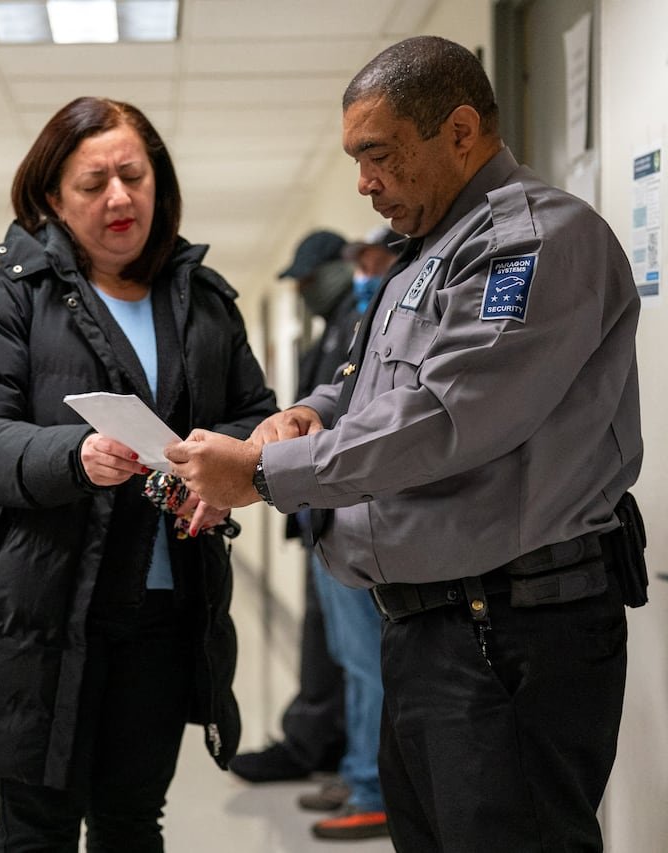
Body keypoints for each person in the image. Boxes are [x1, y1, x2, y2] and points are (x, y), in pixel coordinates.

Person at [166, 36, 644, 853]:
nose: (364, 182)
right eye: (356, 159)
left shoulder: (529, 242)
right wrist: (304, 416)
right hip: (434, 631)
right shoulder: (427, 257)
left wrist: (261, 469)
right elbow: (364, 384)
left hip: (511, 637)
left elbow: (444, 418)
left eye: (377, 154)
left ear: (460, 132)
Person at [0, 96, 279, 851]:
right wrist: (73, 456)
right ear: (50, 198)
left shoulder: (203, 301)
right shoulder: (9, 298)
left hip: (165, 611)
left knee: (132, 821)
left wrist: (220, 463)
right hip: (42, 609)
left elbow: (255, 412)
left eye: (134, 175)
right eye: (93, 182)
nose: (119, 197)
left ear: (158, 182)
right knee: (37, 827)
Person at [286, 229, 398, 842]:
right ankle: (359, 772)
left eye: (373, 260)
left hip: (357, 515)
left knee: (366, 661)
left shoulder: (383, 316)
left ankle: (372, 788)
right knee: (352, 661)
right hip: (326, 513)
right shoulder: (356, 321)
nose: (365, 270)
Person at [228, 231, 351, 791]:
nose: (303, 293)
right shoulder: (333, 334)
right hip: (317, 515)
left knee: (352, 652)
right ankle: (318, 743)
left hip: (347, 516)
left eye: (307, 281)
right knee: (325, 641)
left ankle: (351, 767)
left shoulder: (359, 323)